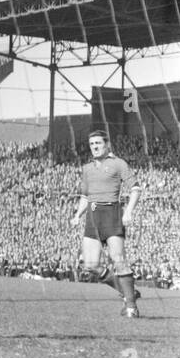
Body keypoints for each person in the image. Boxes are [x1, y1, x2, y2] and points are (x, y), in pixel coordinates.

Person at [71, 129, 142, 317]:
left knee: (119, 259)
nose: (95, 147)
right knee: (91, 264)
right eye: (92, 144)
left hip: (111, 212)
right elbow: (85, 196)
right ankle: (129, 293)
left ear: (107, 144)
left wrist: (128, 212)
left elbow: (135, 189)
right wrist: (78, 214)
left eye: (98, 143)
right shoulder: (87, 168)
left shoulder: (118, 164)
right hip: (92, 216)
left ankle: (131, 307)